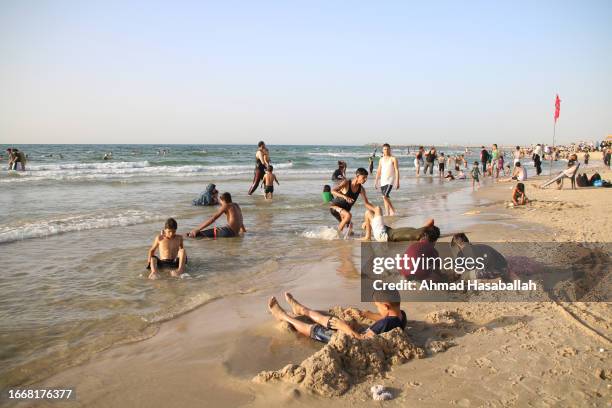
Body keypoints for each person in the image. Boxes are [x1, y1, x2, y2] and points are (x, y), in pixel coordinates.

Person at [267, 290, 407, 344]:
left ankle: (284, 316)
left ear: (386, 306)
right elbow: (384, 318)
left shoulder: (385, 323)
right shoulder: (401, 316)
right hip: (353, 334)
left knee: (315, 329)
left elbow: (362, 341)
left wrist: (345, 328)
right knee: (329, 321)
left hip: (351, 341)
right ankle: (302, 309)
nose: (377, 309)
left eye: (378, 306)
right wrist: (365, 314)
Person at [330, 168, 376, 236]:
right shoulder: (347, 183)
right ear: (357, 176)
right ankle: (336, 236)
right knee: (348, 215)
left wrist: (375, 209)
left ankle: (337, 239)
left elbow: (366, 203)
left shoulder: (361, 189)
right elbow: (333, 191)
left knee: (350, 230)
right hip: (334, 207)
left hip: (344, 211)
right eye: (363, 177)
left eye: (366, 178)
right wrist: (344, 197)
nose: (365, 180)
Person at [361, 206, 437, 243]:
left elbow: (431, 221)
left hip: (382, 234)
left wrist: (429, 228)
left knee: (376, 209)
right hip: (385, 231)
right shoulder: (418, 233)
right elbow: (431, 222)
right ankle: (368, 228)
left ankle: (368, 235)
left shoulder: (419, 234)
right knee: (369, 214)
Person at [374, 143, 400, 216]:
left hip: (390, 180)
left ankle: (393, 210)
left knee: (385, 196)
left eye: (388, 149)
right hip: (383, 181)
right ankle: (387, 213)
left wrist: (397, 182)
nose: (386, 150)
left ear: (390, 149)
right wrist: (376, 181)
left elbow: (397, 170)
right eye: (385, 149)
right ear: (382, 150)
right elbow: (379, 171)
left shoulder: (393, 159)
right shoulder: (381, 159)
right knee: (385, 198)